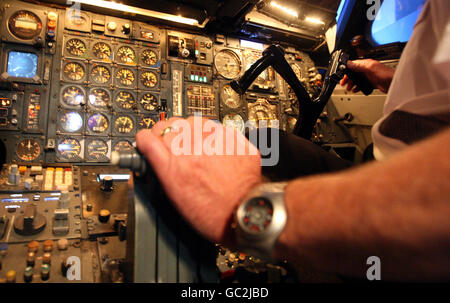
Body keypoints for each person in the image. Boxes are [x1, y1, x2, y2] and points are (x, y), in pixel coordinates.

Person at [135, 0, 449, 281]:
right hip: (384, 159)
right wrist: (393, 81)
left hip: (409, 195)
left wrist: (243, 206)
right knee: (269, 141)